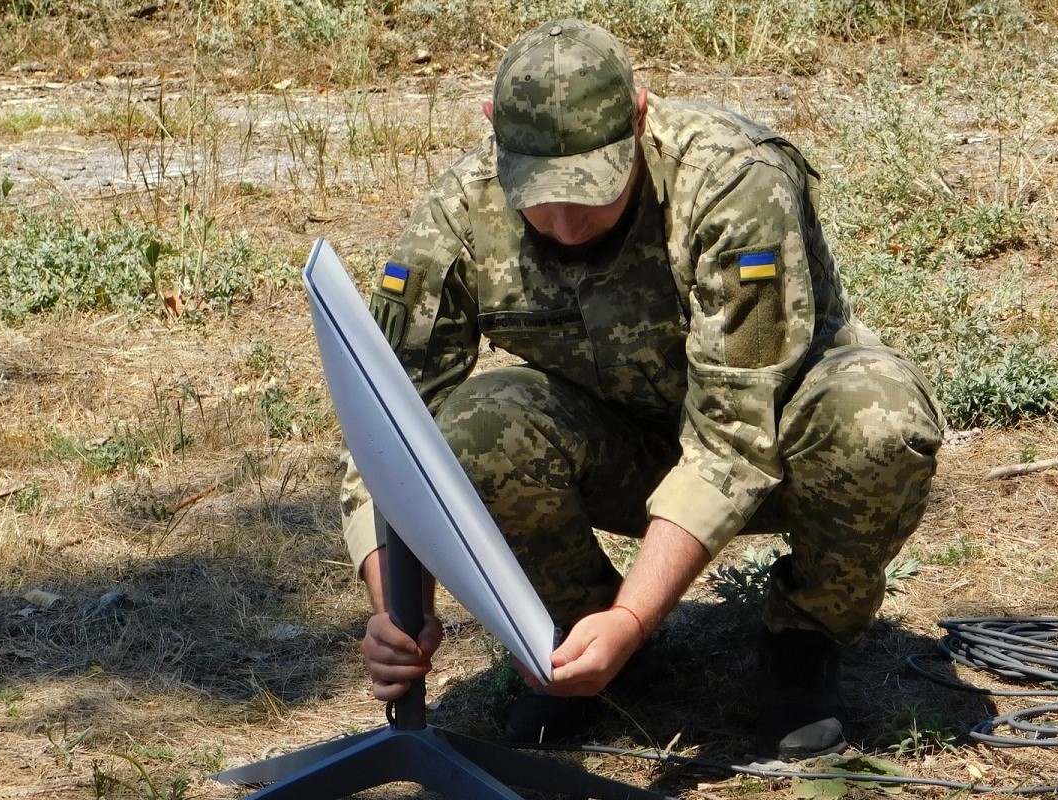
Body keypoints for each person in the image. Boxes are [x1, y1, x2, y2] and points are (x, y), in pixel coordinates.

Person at [341, 18, 944, 760]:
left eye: (589, 191)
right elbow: (389, 428)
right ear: (493, 130)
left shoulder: (731, 182)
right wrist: (396, 607)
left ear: (639, 115)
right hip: (621, 448)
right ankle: (574, 636)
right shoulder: (457, 214)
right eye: (538, 193)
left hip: (781, 442)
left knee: (876, 420)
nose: (564, 225)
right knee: (473, 432)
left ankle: (803, 640)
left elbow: (732, 435)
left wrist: (637, 615)